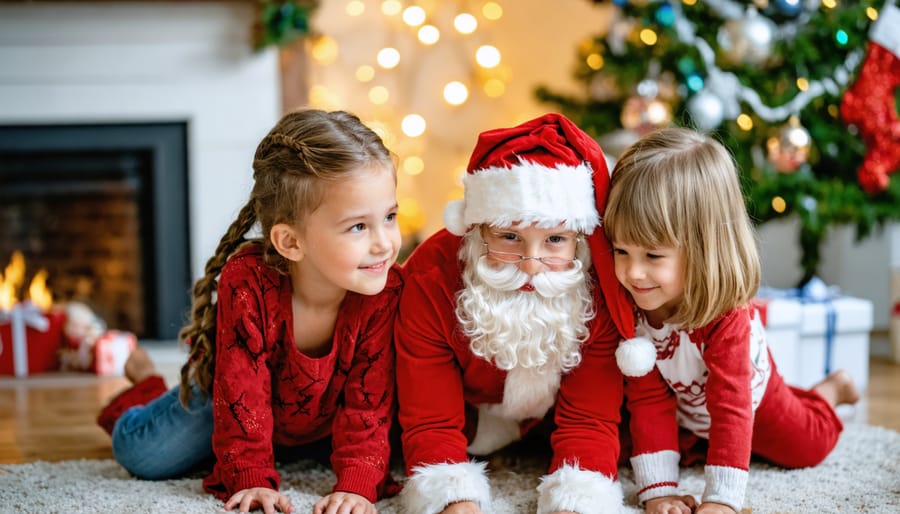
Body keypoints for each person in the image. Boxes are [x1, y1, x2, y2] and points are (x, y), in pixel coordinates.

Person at [96, 109, 403, 514]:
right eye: (358, 227)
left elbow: (369, 402)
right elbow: (242, 392)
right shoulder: (249, 282)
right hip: (232, 400)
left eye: (390, 217)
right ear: (290, 242)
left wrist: (358, 486)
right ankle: (147, 387)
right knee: (144, 455)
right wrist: (252, 478)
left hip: (327, 411)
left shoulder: (384, 289)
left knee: (392, 449)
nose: (384, 243)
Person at [606, 127, 860, 514]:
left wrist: (721, 501)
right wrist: (658, 491)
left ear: (704, 246)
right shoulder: (634, 302)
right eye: (621, 250)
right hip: (687, 405)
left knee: (807, 447)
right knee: (628, 446)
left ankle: (830, 390)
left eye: (653, 256)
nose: (633, 273)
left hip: (750, 397)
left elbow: (732, 407)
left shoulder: (728, 317)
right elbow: (648, 400)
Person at [394, 113, 638, 514]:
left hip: (552, 418)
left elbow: (590, 419)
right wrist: (453, 500)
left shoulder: (600, 282)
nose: (530, 264)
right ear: (478, 229)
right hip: (467, 418)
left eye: (555, 240)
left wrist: (576, 502)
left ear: (579, 238)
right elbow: (430, 418)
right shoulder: (431, 278)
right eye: (509, 237)